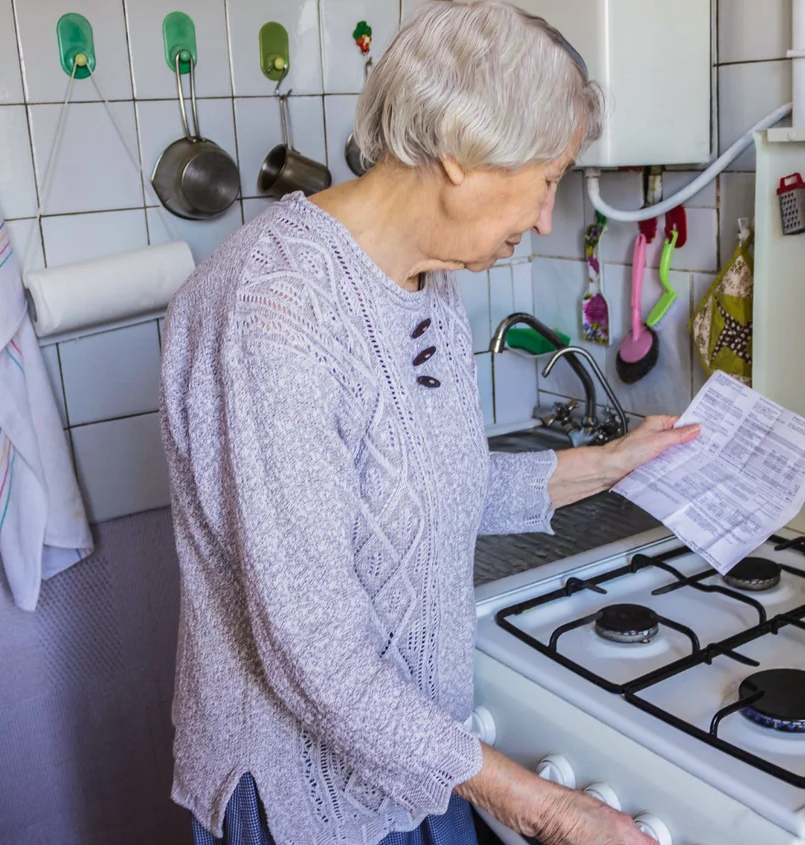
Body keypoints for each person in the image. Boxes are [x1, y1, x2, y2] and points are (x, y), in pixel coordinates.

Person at [159, 3, 700, 844]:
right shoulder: (277, 311)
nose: (545, 218)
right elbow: (317, 657)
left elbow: (434, 484)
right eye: (548, 179)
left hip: (418, 755)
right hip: (307, 794)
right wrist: (546, 806)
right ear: (460, 152)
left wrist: (610, 462)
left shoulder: (426, 279)